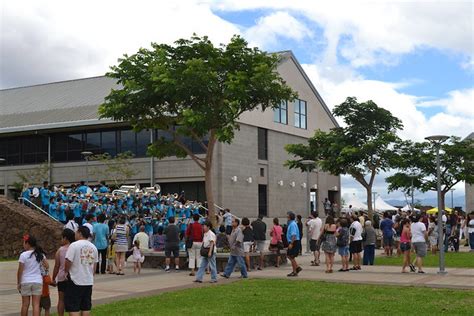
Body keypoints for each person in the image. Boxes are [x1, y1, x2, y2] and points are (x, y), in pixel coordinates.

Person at [64, 226, 99, 316]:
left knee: (73, 306)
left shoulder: (74, 245)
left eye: (76, 232)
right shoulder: (93, 247)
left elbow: (68, 261)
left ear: (80, 233)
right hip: (88, 281)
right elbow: (94, 266)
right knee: (86, 306)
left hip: (75, 280)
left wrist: (66, 271)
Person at [17, 234, 49, 316]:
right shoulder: (40, 254)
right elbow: (47, 266)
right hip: (37, 281)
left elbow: (20, 270)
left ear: (28, 244)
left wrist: (18, 283)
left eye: (24, 243)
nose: (23, 244)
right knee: (36, 305)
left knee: (25, 304)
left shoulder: (23, 255)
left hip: (25, 281)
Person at [52, 228, 76, 316]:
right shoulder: (75, 248)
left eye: (62, 238)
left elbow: (56, 266)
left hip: (62, 278)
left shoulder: (60, 250)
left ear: (65, 238)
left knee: (61, 299)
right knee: (72, 300)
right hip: (73, 277)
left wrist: (53, 278)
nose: (61, 240)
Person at [286, 212, 302, 277]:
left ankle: (295, 271)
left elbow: (293, 235)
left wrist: (291, 243)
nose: (287, 218)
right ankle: (297, 267)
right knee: (289, 256)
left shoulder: (292, 224)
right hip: (293, 241)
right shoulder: (292, 223)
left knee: (291, 256)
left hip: (294, 242)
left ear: (290, 217)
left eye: (287, 216)